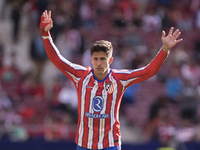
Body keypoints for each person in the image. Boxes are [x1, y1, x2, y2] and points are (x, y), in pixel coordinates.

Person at [40, 10, 183, 150]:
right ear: (91, 60)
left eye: (103, 59)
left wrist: (164, 49)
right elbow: (57, 60)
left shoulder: (120, 79)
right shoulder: (81, 76)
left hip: (110, 145)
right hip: (85, 144)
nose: (99, 62)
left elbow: (149, 71)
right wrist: (46, 34)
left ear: (111, 60)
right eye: (95, 59)